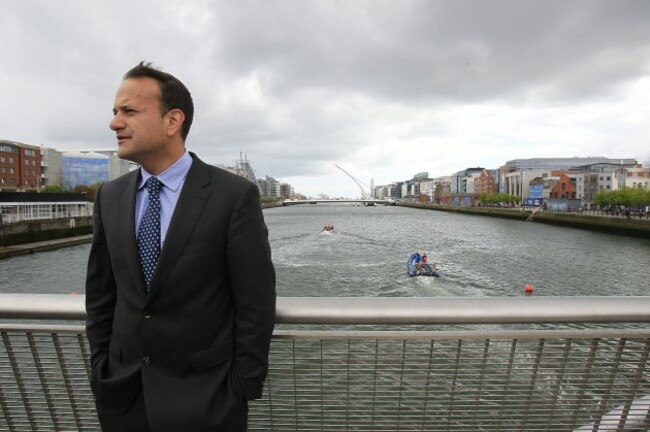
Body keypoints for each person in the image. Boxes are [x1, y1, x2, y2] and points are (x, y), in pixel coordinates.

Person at [85, 61, 276, 432]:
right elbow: (101, 295)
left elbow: (255, 302)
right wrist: (100, 369)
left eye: (129, 111)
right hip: (123, 397)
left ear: (173, 121)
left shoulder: (233, 196)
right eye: (114, 112)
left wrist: (241, 388)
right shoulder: (109, 196)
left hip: (207, 399)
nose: (114, 123)